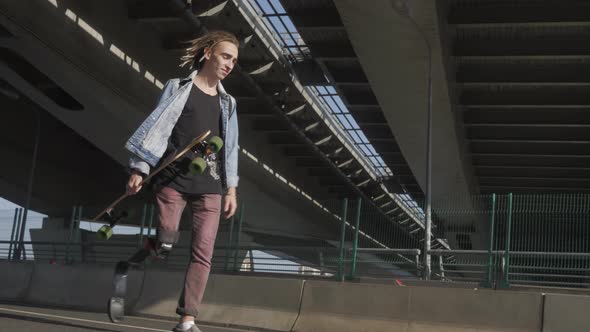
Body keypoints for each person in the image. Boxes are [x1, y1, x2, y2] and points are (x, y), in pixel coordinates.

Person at [124, 30, 239, 332]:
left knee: (203, 253)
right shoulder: (177, 88)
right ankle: (150, 248)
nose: (230, 64)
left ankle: (187, 320)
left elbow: (231, 147)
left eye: (234, 60)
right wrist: (139, 168)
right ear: (207, 53)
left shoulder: (228, 103)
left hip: (211, 186)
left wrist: (231, 189)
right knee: (167, 241)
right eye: (226, 56)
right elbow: (158, 127)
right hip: (173, 179)